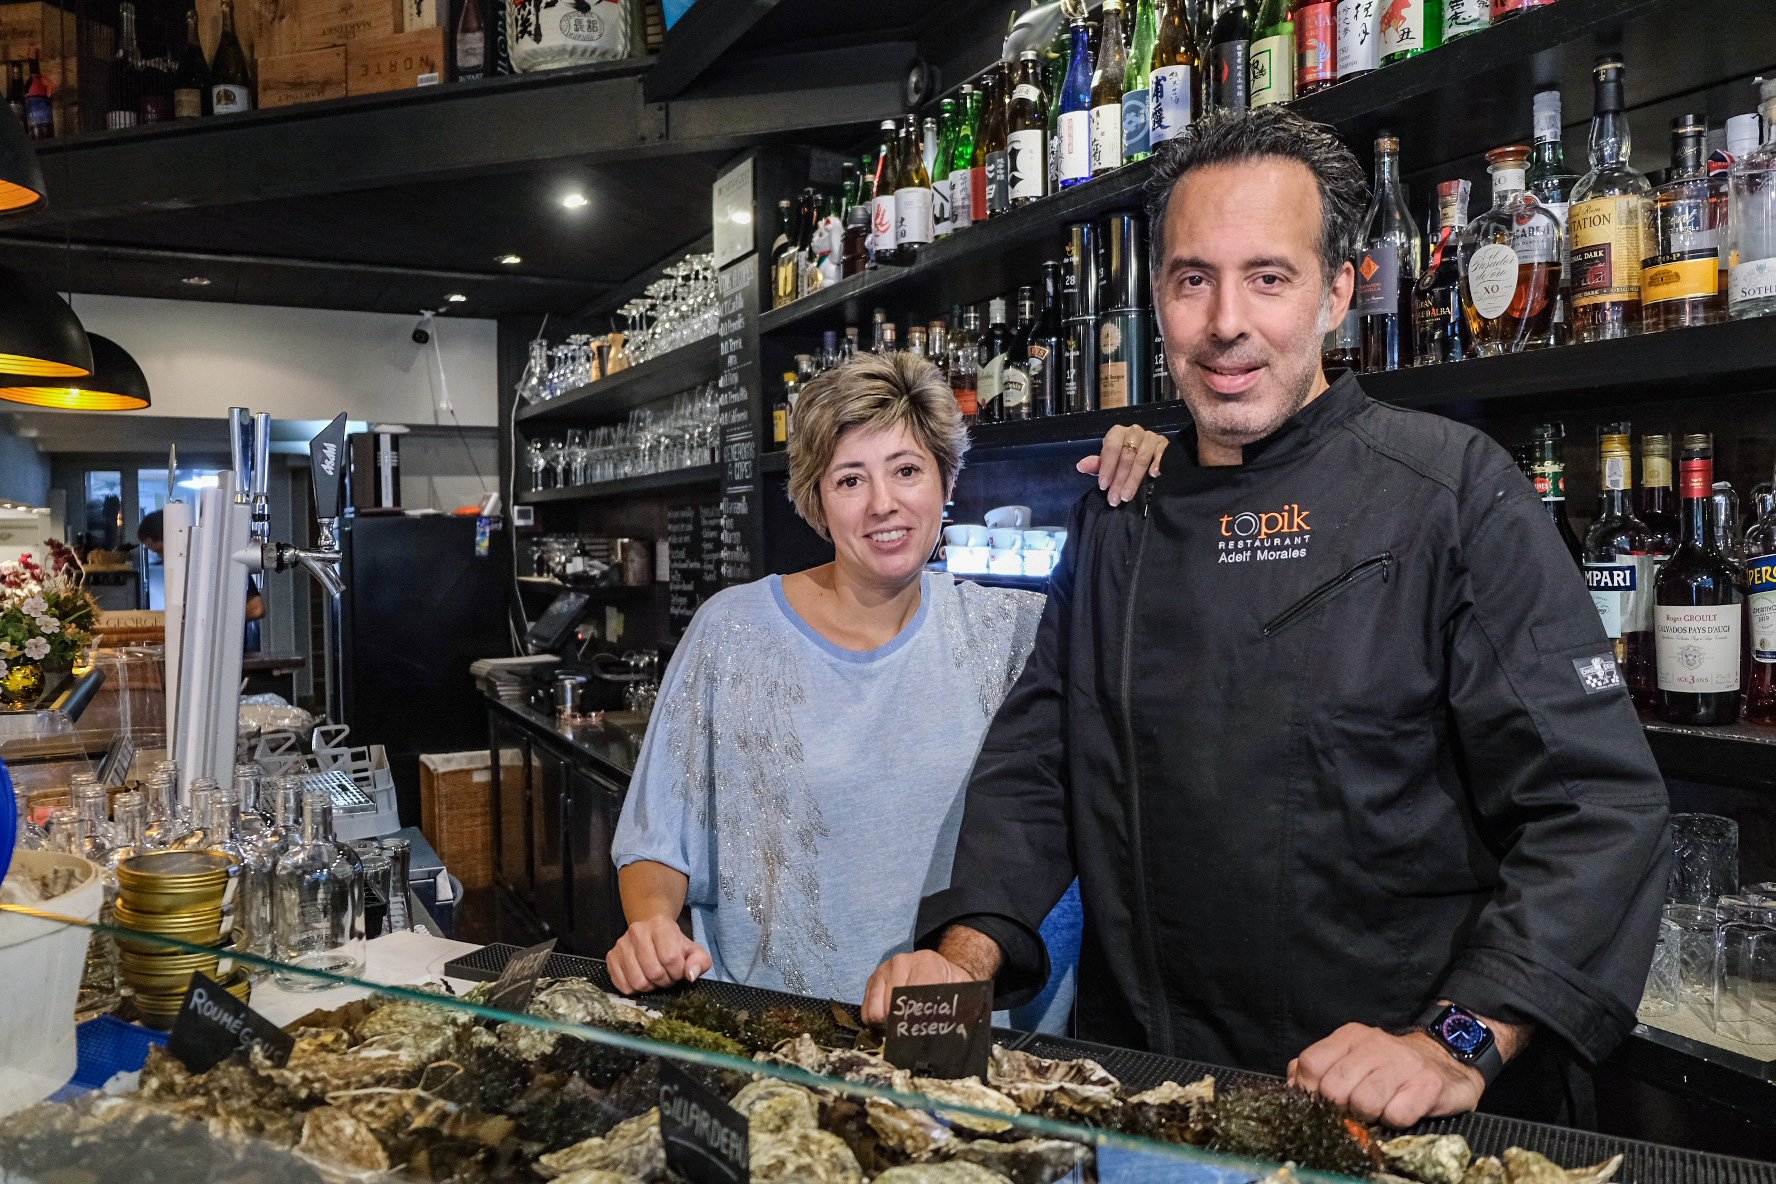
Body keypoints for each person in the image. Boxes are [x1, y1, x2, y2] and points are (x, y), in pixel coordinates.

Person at [864, 108, 1671, 1129]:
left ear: (1338, 292)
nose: (1225, 321)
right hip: (1154, 1098)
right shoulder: (1121, 516)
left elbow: (1596, 805)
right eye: (1193, 278)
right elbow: (1041, 766)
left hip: (1388, 1113)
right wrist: (964, 952)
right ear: (1158, 299)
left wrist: (1454, 1040)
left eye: (1269, 277)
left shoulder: (1450, 494)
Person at [606, 351, 1168, 1006]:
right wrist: (650, 926)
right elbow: (657, 836)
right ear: (816, 498)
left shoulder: (1019, 633)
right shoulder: (733, 633)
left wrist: (1162, 472)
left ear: (945, 480)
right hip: (783, 1034)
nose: (883, 504)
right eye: (850, 480)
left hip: (984, 1047)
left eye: (906, 471)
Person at [138, 509, 266, 651]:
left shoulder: (219, 561)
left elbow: (256, 608)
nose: (162, 558)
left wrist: (209, 622)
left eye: (160, 550)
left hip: (230, 654)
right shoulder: (183, 572)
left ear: (173, 538)